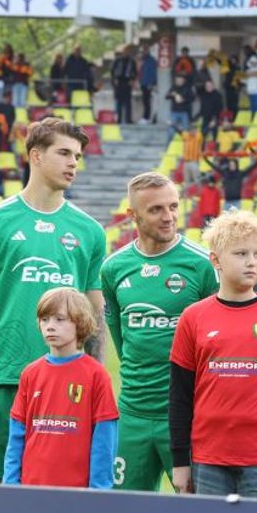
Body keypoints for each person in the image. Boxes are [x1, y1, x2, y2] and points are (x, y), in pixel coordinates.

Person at [0, 118, 106, 513]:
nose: (73, 163)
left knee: (57, 492)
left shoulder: (89, 231)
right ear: (35, 156)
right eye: (64, 153)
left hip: (65, 385)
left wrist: (95, 370)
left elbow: (95, 311)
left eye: (77, 156)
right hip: (1, 377)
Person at [169, 210, 257, 500]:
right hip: (208, 459)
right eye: (241, 253)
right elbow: (179, 396)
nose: (251, 262)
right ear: (216, 260)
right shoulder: (193, 317)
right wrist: (180, 461)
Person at [101, 173, 217, 492]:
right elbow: (123, 343)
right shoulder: (113, 268)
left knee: (197, 511)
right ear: (133, 215)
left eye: (173, 206)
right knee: (124, 511)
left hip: (187, 417)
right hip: (132, 415)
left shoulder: (202, 265)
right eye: (156, 209)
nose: (168, 217)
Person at [4, 288, 118, 488]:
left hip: (77, 495)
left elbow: (104, 442)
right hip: (31, 491)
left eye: (59, 319)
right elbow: (16, 437)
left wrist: (98, 492)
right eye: (44, 319)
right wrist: (10, 486)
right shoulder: (30, 373)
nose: (50, 326)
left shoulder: (96, 376)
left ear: (79, 322)